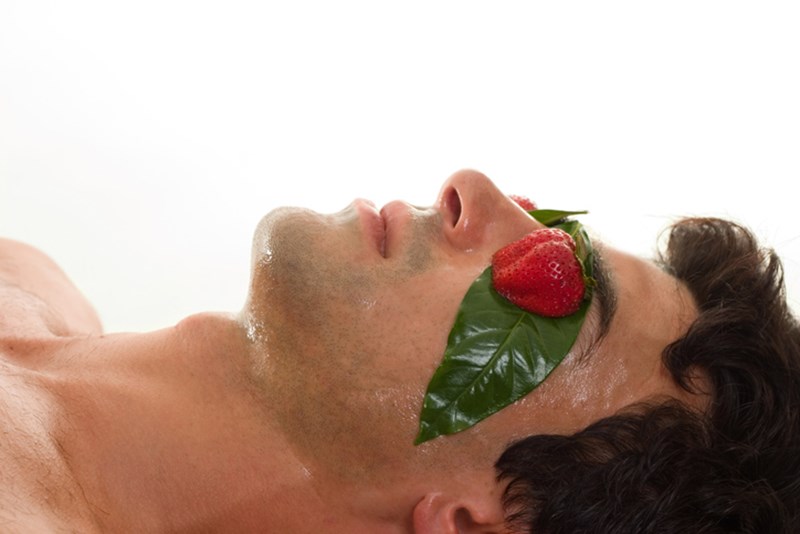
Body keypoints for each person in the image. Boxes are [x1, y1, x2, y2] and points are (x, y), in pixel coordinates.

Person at [0, 169, 797, 533]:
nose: (470, 188)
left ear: (479, 521)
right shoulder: (26, 278)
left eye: (560, 287)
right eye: (551, 224)